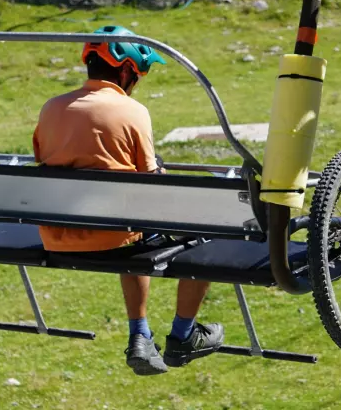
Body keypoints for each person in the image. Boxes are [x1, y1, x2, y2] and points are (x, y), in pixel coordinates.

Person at [32, 26, 224, 376]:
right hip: (115, 239)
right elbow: (151, 189)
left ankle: (141, 334)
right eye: (137, 75)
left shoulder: (51, 109)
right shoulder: (132, 111)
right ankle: (183, 336)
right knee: (205, 231)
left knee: (126, 221)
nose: (135, 84)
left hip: (57, 238)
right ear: (124, 70)